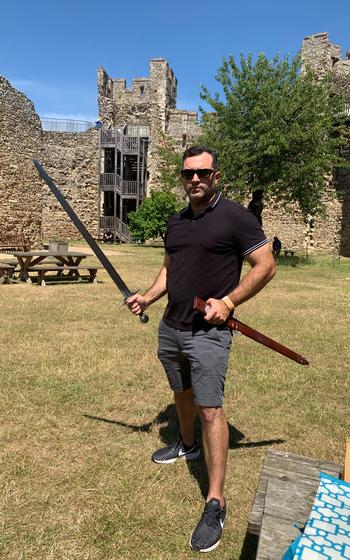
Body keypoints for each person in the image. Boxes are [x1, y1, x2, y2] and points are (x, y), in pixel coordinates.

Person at [127, 146, 276, 553]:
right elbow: (170, 268)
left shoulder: (236, 218)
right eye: (188, 173)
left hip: (208, 333)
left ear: (215, 176)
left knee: (211, 407)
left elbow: (266, 265)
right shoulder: (175, 223)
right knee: (181, 392)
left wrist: (228, 302)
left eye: (202, 172)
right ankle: (187, 444)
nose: (194, 179)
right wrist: (149, 297)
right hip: (171, 327)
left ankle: (216, 501)